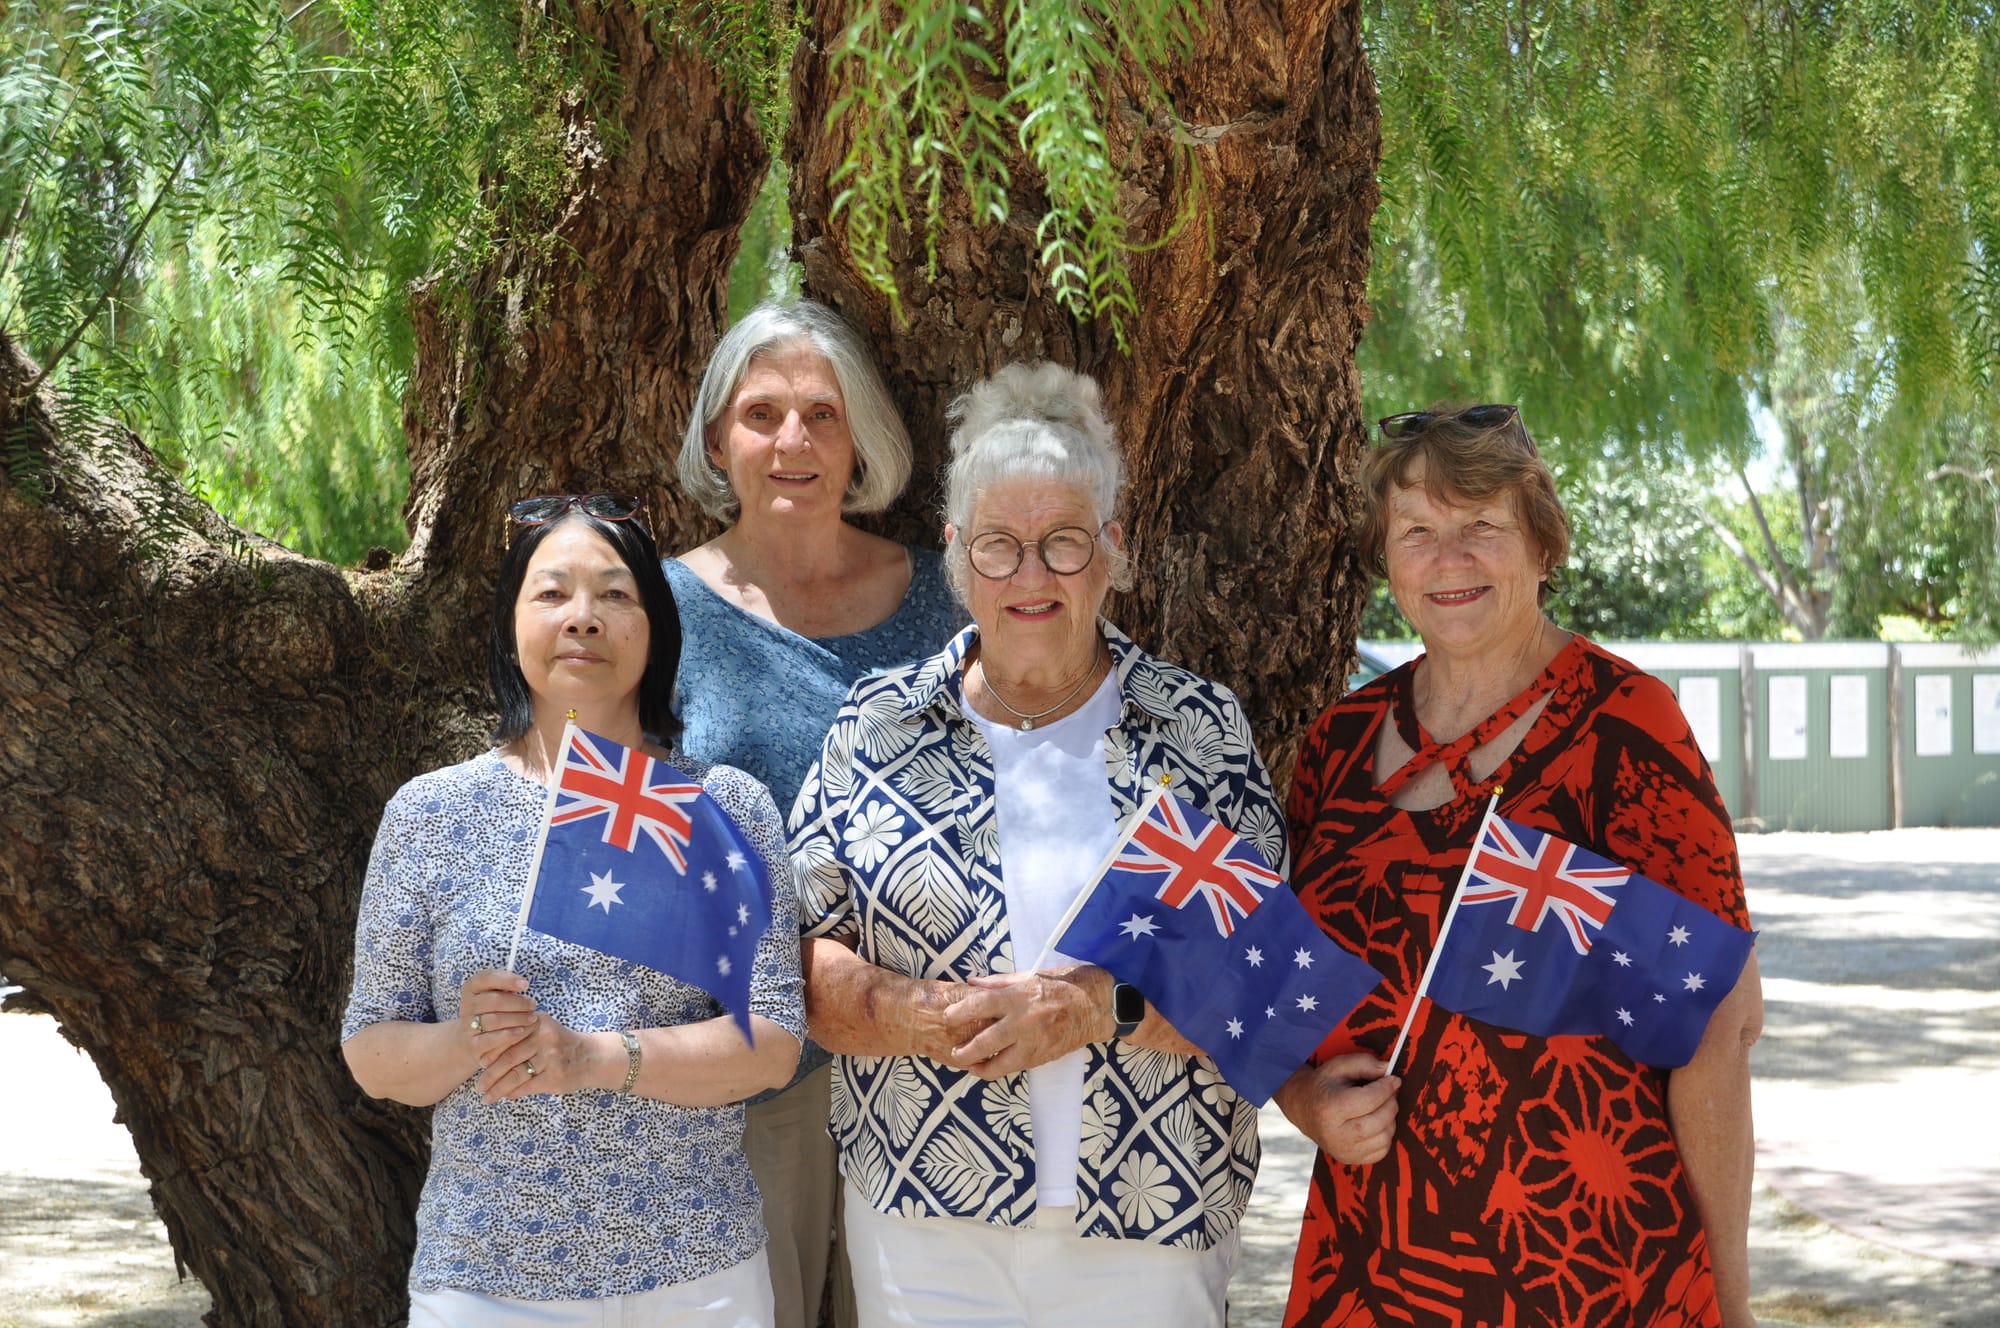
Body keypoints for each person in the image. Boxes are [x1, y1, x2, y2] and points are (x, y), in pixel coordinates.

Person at [789, 362, 1283, 1327]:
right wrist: (920, 1015)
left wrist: (1094, 1008)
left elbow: (1260, 980)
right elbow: (804, 959)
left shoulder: (1198, 730)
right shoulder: (877, 724)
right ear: (955, 554)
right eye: (999, 546)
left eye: (1062, 542)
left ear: (1111, 550)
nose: (1030, 575)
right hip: (923, 1209)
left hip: (1153, 1208)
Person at [1277, 404, 1764, 1328]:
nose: (1448, 558)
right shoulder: (1339, 741)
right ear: (1387, 560)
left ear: (1543, 545)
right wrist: (1302, 1097)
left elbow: (1718, 1023)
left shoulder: (1630, 726)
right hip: (1375, 1260)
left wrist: (1729, 1302)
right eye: (1417, 531)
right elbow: (1287, 983)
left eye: (1481, 525)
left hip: (1591, 1269)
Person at [341, 494, 805, 1326]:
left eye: (615, 594)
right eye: (552, 593)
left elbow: (772, 1044)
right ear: (510, 624)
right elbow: (372, 1051)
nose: (583, 618)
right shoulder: (430, 813)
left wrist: (592, 1057)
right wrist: (468, 1038)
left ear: (656, 628)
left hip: (696, 1277)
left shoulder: (721, 807)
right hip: (484, 1283)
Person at [670, 300, 966, 1328]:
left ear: (861, 441)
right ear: (718, 440)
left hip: (928, 1048)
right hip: (749, 1057)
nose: (791, 439)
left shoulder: (949, 602)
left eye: (821, 414)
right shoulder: (657, 611)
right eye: (761, 414)